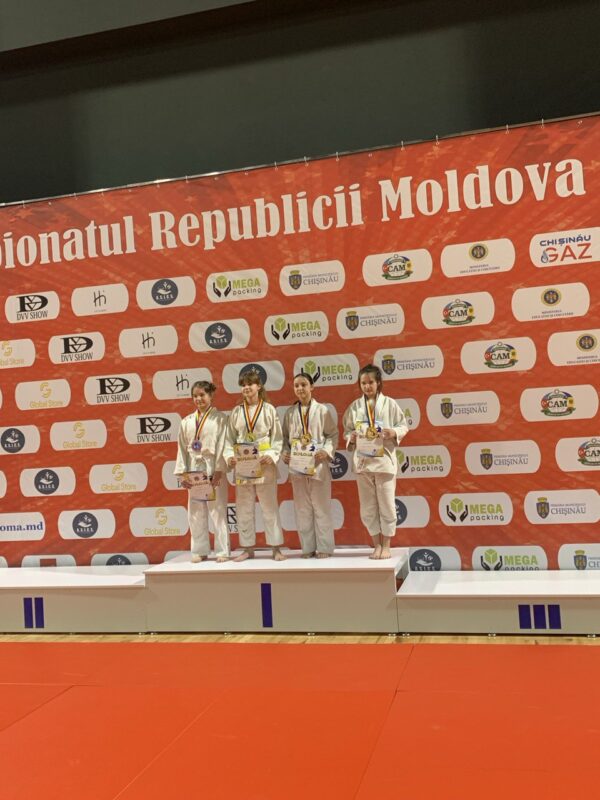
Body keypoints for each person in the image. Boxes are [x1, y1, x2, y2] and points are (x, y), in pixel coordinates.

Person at [342, 364, 408, 559]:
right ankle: (376, 545)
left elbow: (403, 425)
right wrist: (351, 437)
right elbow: (347, 430)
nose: (367, 386)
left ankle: (386, 545)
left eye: (370, 382)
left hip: (384, 461)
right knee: (368, 508)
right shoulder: (355, 407)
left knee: (387, 505)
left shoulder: (390, 404)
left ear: (378, 382)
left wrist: (393, 432)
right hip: (363, 462)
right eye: (363, 383)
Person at [224, 369, 285, 561]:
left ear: (259, 386)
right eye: (243, 385)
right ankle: (247, 548)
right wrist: (229, 457)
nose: (246, 388)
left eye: (250, 384)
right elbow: (228, 440)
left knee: (269, 507)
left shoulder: (269, 409)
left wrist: (272, 455)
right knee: (244, 508)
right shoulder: (236, 412)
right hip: (243, 466)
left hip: (264, 464)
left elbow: (277, 439)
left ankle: (275, 547)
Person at [282, 372, 338, 558]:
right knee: (302, 510)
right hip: (297, 467)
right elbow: (284, 439)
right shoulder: (290, 413)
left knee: (321, 508)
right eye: (296, 385)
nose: (300, 388)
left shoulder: (322, 410)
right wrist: (285, 453)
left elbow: (332, 434)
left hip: (317, 465)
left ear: (311, 387)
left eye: (303, 384)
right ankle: (307, 548)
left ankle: (325, 548)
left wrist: (327, 451)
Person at [174, 380, 230, 562]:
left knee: (218, 510)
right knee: (196, 511)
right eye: (195, 396)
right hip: (194, 468)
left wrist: (220, 469)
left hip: (212, 466)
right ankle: (199, 550)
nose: (198, 399)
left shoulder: (220, 419)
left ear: (211, 395)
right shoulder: (186, 421)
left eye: (202, 395)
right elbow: (181, 448)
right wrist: (182, 473)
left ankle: (222, 551)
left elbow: (223, 445)